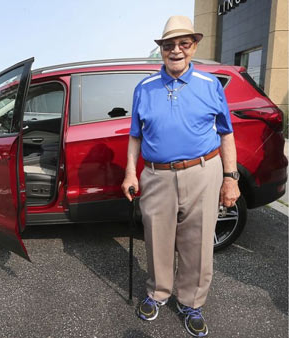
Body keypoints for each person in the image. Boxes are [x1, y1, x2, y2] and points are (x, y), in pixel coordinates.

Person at [121, 15, 240, 337]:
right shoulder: (144, 87)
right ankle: (158, 293)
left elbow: (226, 133)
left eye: (183, 44)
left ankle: (192, 302)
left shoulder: (210, 84)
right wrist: (130, 173)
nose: (176, 50)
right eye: (169, 45)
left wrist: (231, 177)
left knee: (198, 242)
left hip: (204, 172)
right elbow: (135, 135)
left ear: (193, 46)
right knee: (156, 238)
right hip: (157, 175)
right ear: (161, 49)